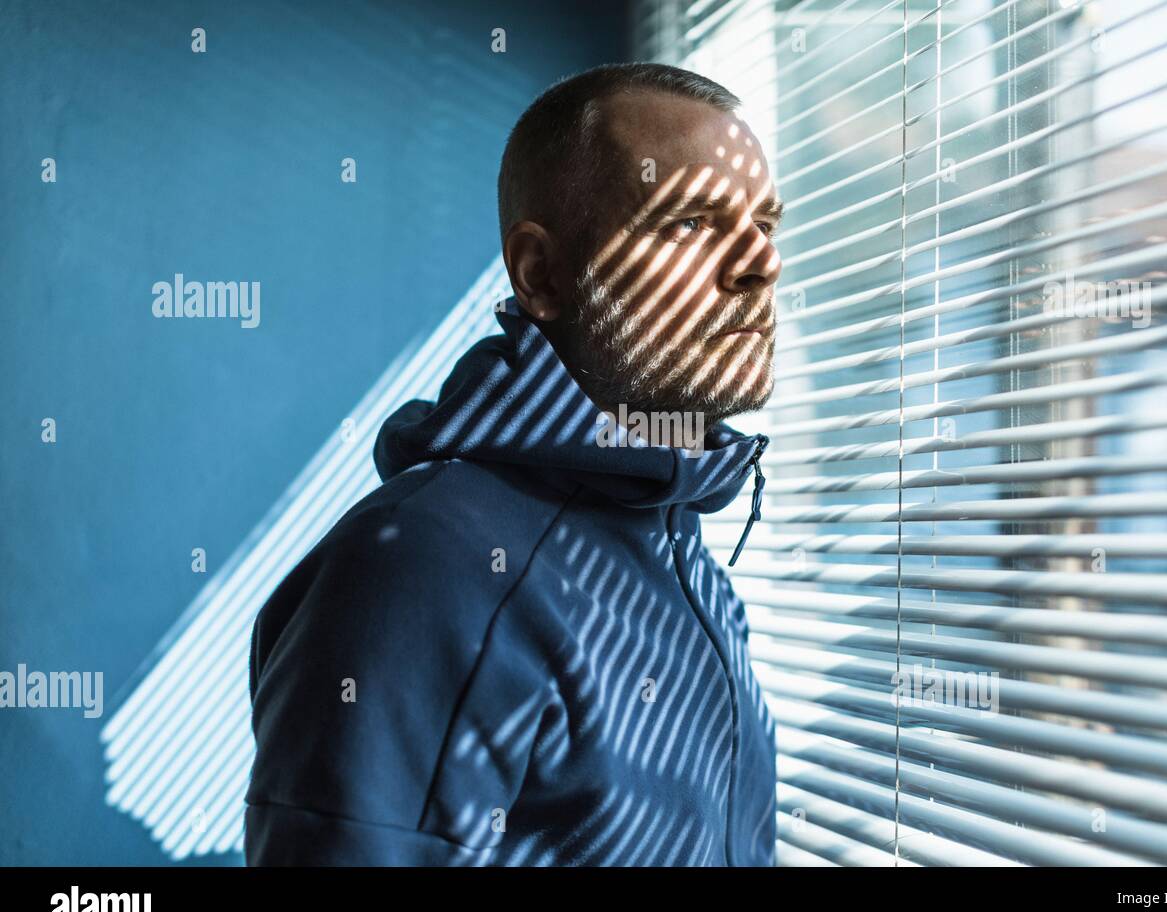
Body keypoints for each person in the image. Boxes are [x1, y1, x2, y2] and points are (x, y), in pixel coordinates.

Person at [244, 62, 784, 866]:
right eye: (692, 223)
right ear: (542, 275)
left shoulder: (685, 562)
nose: (761, 263)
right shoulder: (426, 567)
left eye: (767, 224)